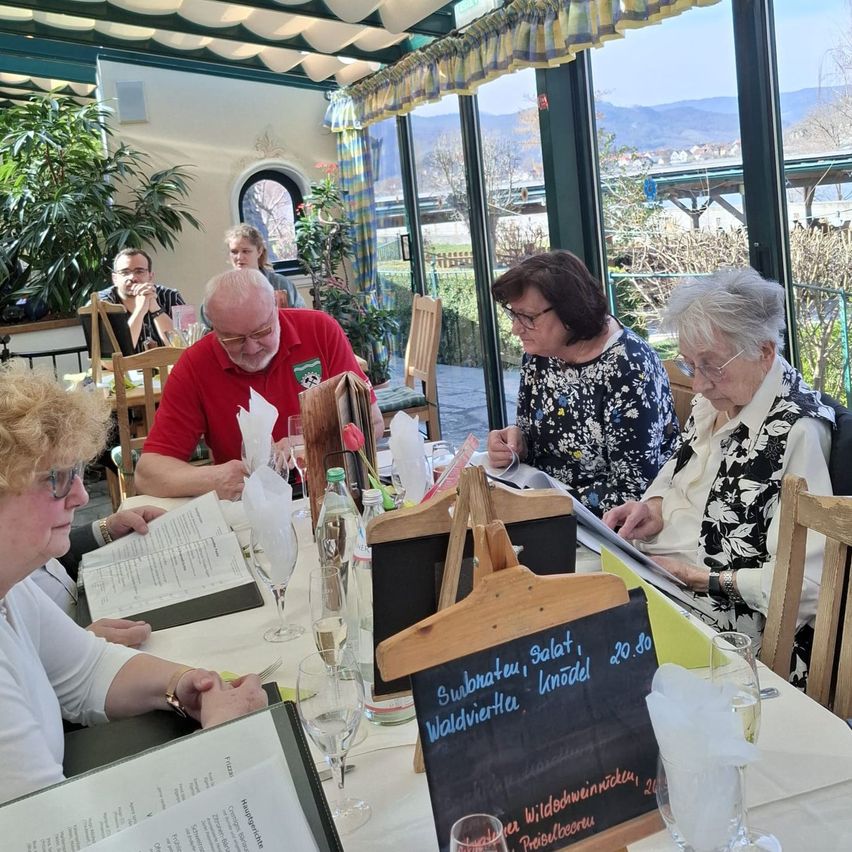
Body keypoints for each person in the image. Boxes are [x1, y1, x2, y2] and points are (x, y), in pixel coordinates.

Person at [0, 361, 267, 804]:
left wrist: (183, 684)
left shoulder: (13, 587)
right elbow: (54, 823)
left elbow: (87, 669)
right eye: (56, 479)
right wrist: (222, 741)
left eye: (75, 472)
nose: (81, 496)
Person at [603, 268, 834, 686]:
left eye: (710, 366)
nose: (699, 384)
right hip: (659, 577)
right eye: (689, 365)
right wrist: (653, 507)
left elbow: (806, 586)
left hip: (725, 625)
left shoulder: (798, 431)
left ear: (764, 351)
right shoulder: (717, 401)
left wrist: (703, 578)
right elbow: (679, 476)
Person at [135, 269, 383, 500]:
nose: (252, 348)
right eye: (234, 339)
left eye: (262, 331)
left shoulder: (320, 330)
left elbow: (373, 423)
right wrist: (215, 478)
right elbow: (147, 475)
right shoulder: (195, 364)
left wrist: (312, 443)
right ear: (213, 329)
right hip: (250, 502)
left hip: (332, 491)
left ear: (276, 306)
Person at [487, 250, 679, 516]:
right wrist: (514, 444)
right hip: (545, 506)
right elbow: (534, 442)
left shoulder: (629, 367)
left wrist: (540, 503)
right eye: (514, 315)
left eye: (528, 317)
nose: (516, 329)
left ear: (570, 312)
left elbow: (633, 492)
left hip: (605, 523)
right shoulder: (541, 352)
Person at [35, 505, 166, 648]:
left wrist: (106, 531)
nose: (82, 498)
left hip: (99, 606)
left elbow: (51, 562)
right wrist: (74, 646)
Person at [99, 248, 185, 352]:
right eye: (125, 272)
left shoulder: (172, 296)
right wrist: (139, 311)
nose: (133, 277)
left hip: (167, 363)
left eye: (139, 271)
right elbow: (115, 353)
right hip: (125, 363)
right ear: (115, 279)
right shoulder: (101, 303)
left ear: (150, 276)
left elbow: (184, 347)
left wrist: (155, 308)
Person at [226, 223, 306, 309]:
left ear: (259, 251)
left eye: (245, 251)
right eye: (234, 252)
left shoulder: (280, 284)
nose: (239, 257)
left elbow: (301, 315)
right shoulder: (224, 289)